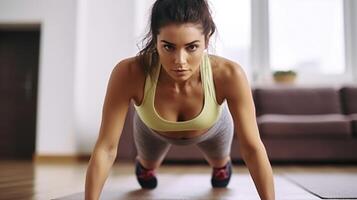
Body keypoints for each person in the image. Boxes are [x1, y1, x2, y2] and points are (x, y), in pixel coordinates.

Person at [84, 0, 275, 199]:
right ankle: (147, 168)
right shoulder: (129, 72)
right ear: (156, 40)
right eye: (168, 47)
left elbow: (252, 148)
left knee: (220, 165)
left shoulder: (229, 74)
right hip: (151, 130)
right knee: (147, 169)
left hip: (213, 129)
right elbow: (106, 148)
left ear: (206, 41)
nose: (180, 61)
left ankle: (220, 167)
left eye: (192, 47)